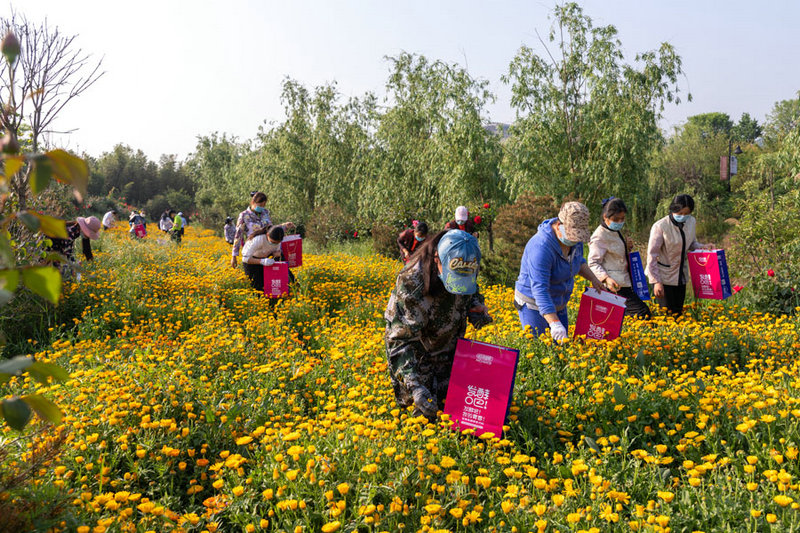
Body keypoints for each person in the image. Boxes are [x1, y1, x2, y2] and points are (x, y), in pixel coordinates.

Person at [384, 230, 493, 420]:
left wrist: (475, 308)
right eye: (453, 277)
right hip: (416, 360)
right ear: (437, 259)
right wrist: (414, 386)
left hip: (449, 353)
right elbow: (399, 342)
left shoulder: (466, 264)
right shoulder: (412, 283)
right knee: (424, 419)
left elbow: (471, 290)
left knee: (458, 417)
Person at [514, 201, 604, 341]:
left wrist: (594, 279)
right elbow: (540, 289)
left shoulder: (575, 241)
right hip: (534, 304)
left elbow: (578, 262)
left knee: (560, 349)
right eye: (572, 235)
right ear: (559, 225)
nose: (575, 240)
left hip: (559, 303)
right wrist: (554, 323)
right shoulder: (541, 247)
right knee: (541, 350)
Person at [645, 194, 711, 316]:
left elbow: (691, 243)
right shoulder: (660, 226)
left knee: (678, 313)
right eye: (680, 213)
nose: (683, 216)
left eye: (686, 213)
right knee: (666, 316)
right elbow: (651, 256)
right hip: (664, 277)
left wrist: (702, 246)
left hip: (681, 276)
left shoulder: (691, 222)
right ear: (673, 210)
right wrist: (656, 281)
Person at [588, 197, 652, 319]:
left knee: (626, 316)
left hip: (624, 281)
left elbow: (614, 254)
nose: (619, 222)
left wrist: (627, 248)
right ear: (605, 217)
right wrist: (606, 279)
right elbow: (593, 262)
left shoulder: (615, 230)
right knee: (642, 313)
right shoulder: (599, 236)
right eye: (616, 219)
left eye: (622, 219)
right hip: (613, 285)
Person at [231, 191, 295, 289]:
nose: (262, 207)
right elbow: (238, 235)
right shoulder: (244, 215)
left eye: (264, 205)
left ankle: (292, 289)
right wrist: (234, 255)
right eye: (260, 204)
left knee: (285, 271)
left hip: (269, 247)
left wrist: (284, 226)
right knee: (258, 281)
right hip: (254, 250)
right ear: (253, 202)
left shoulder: (265, 213)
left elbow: (271, 229)